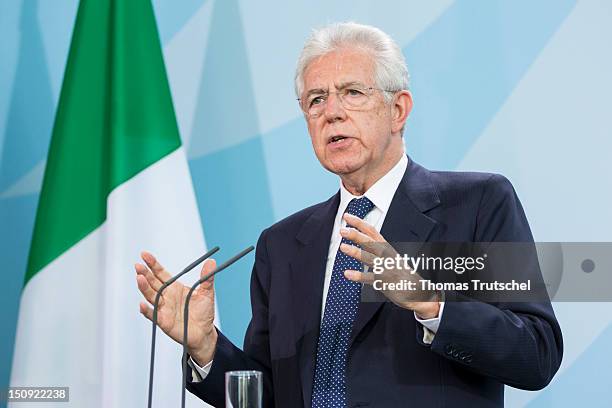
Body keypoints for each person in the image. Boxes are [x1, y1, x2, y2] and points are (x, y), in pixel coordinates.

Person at [135, 22, 563, 407]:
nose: (332, 112)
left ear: (398, 110)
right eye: (316, 100)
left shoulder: (478, 204)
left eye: (353, 93)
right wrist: (206, 346)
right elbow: (270, 396)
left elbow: (537, 353)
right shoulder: (281, 244)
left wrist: (430, 302)